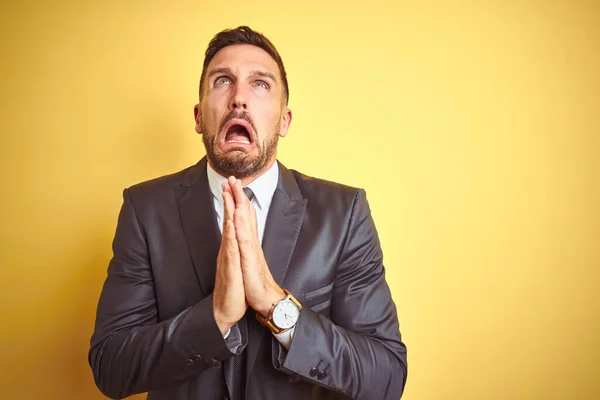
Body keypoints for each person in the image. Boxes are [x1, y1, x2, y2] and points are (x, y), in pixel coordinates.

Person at [89, 26, 407, 400]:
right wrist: (216, 316)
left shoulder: (343, 213)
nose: (239, 98)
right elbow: (111, 366)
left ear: (284, 121)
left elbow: (385, 376)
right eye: (223, 81)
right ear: (197, 116)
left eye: (260, 84)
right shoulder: (146, 210)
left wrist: (275, 304)